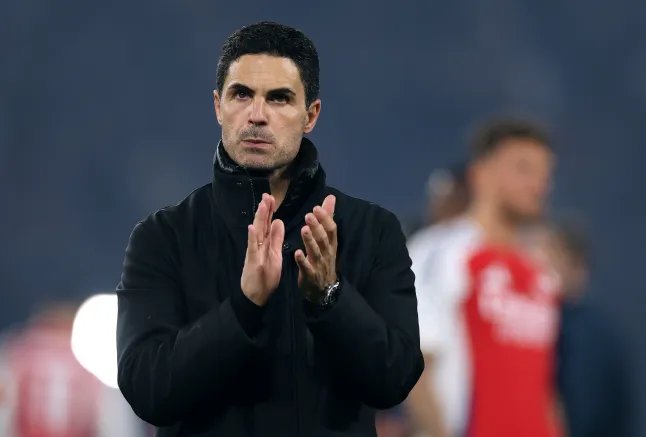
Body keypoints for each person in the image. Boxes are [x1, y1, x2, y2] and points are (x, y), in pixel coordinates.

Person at [116, 21, 423, 437]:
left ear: (310, 115)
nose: (257, 115)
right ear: (218, 106)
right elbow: (147, 390)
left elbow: (396, 380)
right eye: (241, 94)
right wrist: (243, 307)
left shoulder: (372, 230)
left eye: (279, 98)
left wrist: (331, 298)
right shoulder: (162, 237)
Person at [407, 118, 562, 437]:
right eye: (523, 168)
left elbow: (544, 387)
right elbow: (415, 366)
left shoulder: (539, 275)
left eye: (545, 173)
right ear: (481, 173)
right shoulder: (442, 253)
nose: (538, 184)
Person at [527, 220, 636, 437]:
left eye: (549, 259)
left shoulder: (589, 334)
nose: (537, 269)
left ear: (577, 268)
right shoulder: (535, 323)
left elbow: (579, 414)